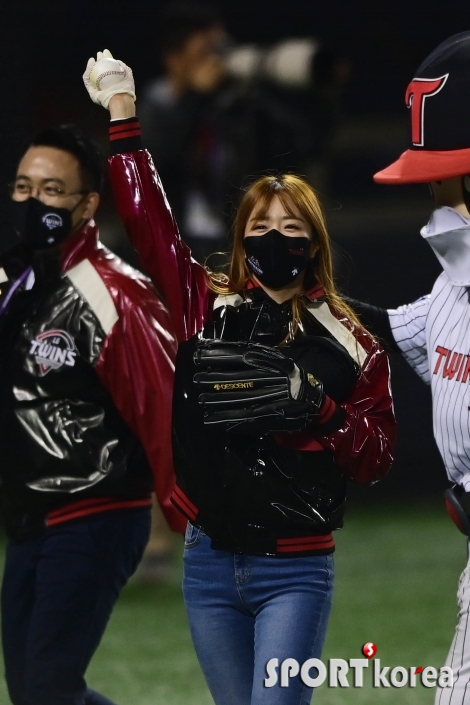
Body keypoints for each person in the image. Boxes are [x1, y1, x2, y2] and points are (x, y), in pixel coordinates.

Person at [84, 52, 396, 705]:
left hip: (296, 566)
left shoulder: (352, 339)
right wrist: (123, 113)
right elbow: (153, 229)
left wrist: (320, 410)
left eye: (291, 229)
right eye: (260, 228)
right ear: (239, 237)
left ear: (315, 242)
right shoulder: (207, 305)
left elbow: (375, 458)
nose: (275, 239)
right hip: (207, 559)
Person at [0, 120, 185, 705]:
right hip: (31, 517)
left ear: (87, 205)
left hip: (94, 511)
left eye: (52, 190)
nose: (34, 201)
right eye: (24, 188)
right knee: (33, 691)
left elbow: (164, 409)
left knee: (49, 689)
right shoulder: (16, 281)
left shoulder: (115, 294)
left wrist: (193, 516)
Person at [331, 31, 470, 705]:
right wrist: (305, 298)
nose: (434, 196)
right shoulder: (454, 282)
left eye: (443, 178)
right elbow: (393, 330)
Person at [139, 1, 344, 262]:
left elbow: (309, 146)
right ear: (174, 60)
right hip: (180, 253)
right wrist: (196, 97)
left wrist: (324, 99)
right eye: (205, 52)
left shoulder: (236, 103)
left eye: (222, 48)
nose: (218, 61)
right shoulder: (157, 106)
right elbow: (159, 161)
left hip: (241, 247)